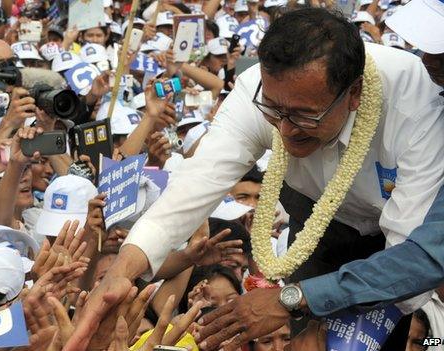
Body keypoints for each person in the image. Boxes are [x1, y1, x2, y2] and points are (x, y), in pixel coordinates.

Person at [65, 8, 444, 351]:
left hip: (396, 249)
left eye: (305, 116)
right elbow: (191, 189)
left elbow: (410, 258)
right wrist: (121, 271)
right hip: (316, 229)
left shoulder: (417, 104)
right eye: (274, 111)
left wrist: (313, 315)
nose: (285, 130)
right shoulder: (253, 92)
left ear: (354, 94)